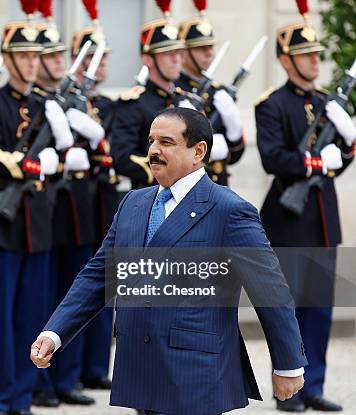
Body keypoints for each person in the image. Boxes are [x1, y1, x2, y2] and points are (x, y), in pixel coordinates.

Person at [32, 107, 308, 415]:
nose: (153, 151)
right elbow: (99, 275)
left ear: (198, 151)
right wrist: (54, 332)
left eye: (166, 142)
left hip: (193, 373)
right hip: (139, 368)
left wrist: (288, 365)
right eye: (151, 141)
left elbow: (270, 290)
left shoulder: (228, 210)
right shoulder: (134, 203)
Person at [255, 18, 355, 413]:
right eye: (305, 55)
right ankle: (289, 391)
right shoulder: (272, 105)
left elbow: (336, 165)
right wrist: (315, 161)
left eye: (316, 55)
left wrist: (344, 148)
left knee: (320, 310)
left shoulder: (329, 101)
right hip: (288, 222)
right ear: (286, 61)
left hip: (323, 221)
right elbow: (273, 158)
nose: (315, 61)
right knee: (288, 312)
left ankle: (313, 387)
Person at [0, 16, 68, 415]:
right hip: (2, 225)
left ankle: (22, 398)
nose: (31, 63)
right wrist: (25, 163)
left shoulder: (46, 106)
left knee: (33, 318)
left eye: (35, 56)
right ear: (7, 59)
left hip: (37, 225)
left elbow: (62, 159)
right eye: (24, 56)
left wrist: (56, 155)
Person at [31, 20, 99, 408]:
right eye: (49, 56)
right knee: (44, 298)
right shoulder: (33, 102)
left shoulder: (72, 99)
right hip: (44, 213)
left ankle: (67, 378)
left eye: (60, 54)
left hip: (76, 211)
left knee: (75, 295)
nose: (58, 61)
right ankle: (41, 381)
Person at [71, 25, 117, 392]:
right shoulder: (65, 101)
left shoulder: (108, 106)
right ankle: (67, 369)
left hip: (103, 203)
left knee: (106, 286)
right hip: (71, 207)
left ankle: (96, 366)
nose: (98, 66)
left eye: (102, 59)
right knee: (77, 284)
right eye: (90, 58)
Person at [110, 17, 190, 190]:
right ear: (148, 59)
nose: (176, 59)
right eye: (168, 54)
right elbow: (122, 157)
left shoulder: (183, 99)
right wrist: (171, 166)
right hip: (152, 195)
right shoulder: (134, 103)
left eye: (178, 53)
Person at [177, 5, 245, 186]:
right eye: (200, 48)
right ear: (183, 53)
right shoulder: (175, 92)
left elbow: (235, 155)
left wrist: (234, 130)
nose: (209, 52)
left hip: (218, 185)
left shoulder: (217, 92)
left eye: (210, 46)